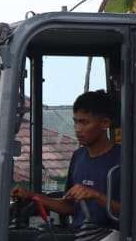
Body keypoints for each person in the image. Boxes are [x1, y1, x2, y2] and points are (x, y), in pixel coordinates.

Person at [12, 88, 121, 228]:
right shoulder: (78, 156)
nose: (77, 129)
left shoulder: (123, 160)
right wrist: (32, 196)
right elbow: (70, 207)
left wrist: (96, 196)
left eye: (84, 122)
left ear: (105, 123)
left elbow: (134, 215)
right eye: (75, 122)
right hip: (78, 239)